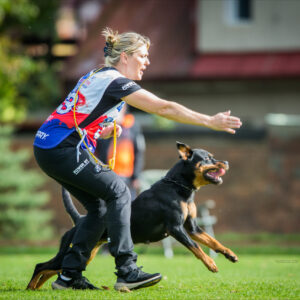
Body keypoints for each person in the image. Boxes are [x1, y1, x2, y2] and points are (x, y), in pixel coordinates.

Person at [33, 27, 242, 291]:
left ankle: (69, 276)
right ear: (126, 57)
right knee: (119, 191)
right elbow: (163, 107)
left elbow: (77, 115)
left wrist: (105, 130)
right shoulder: (115, 81)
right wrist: (209, 121)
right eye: (142, 56)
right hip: (60, 147)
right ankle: (127, 270)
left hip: (49, 146)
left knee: (99, 207)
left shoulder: (96, 76)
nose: (147, 61)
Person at [96, 104, 145, 200]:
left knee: (129, 203)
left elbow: (139, 151)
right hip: (108, 174)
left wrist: (136, 176)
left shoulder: (132, 124)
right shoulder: (104, 125)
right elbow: (98, 149)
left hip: (128, 175)